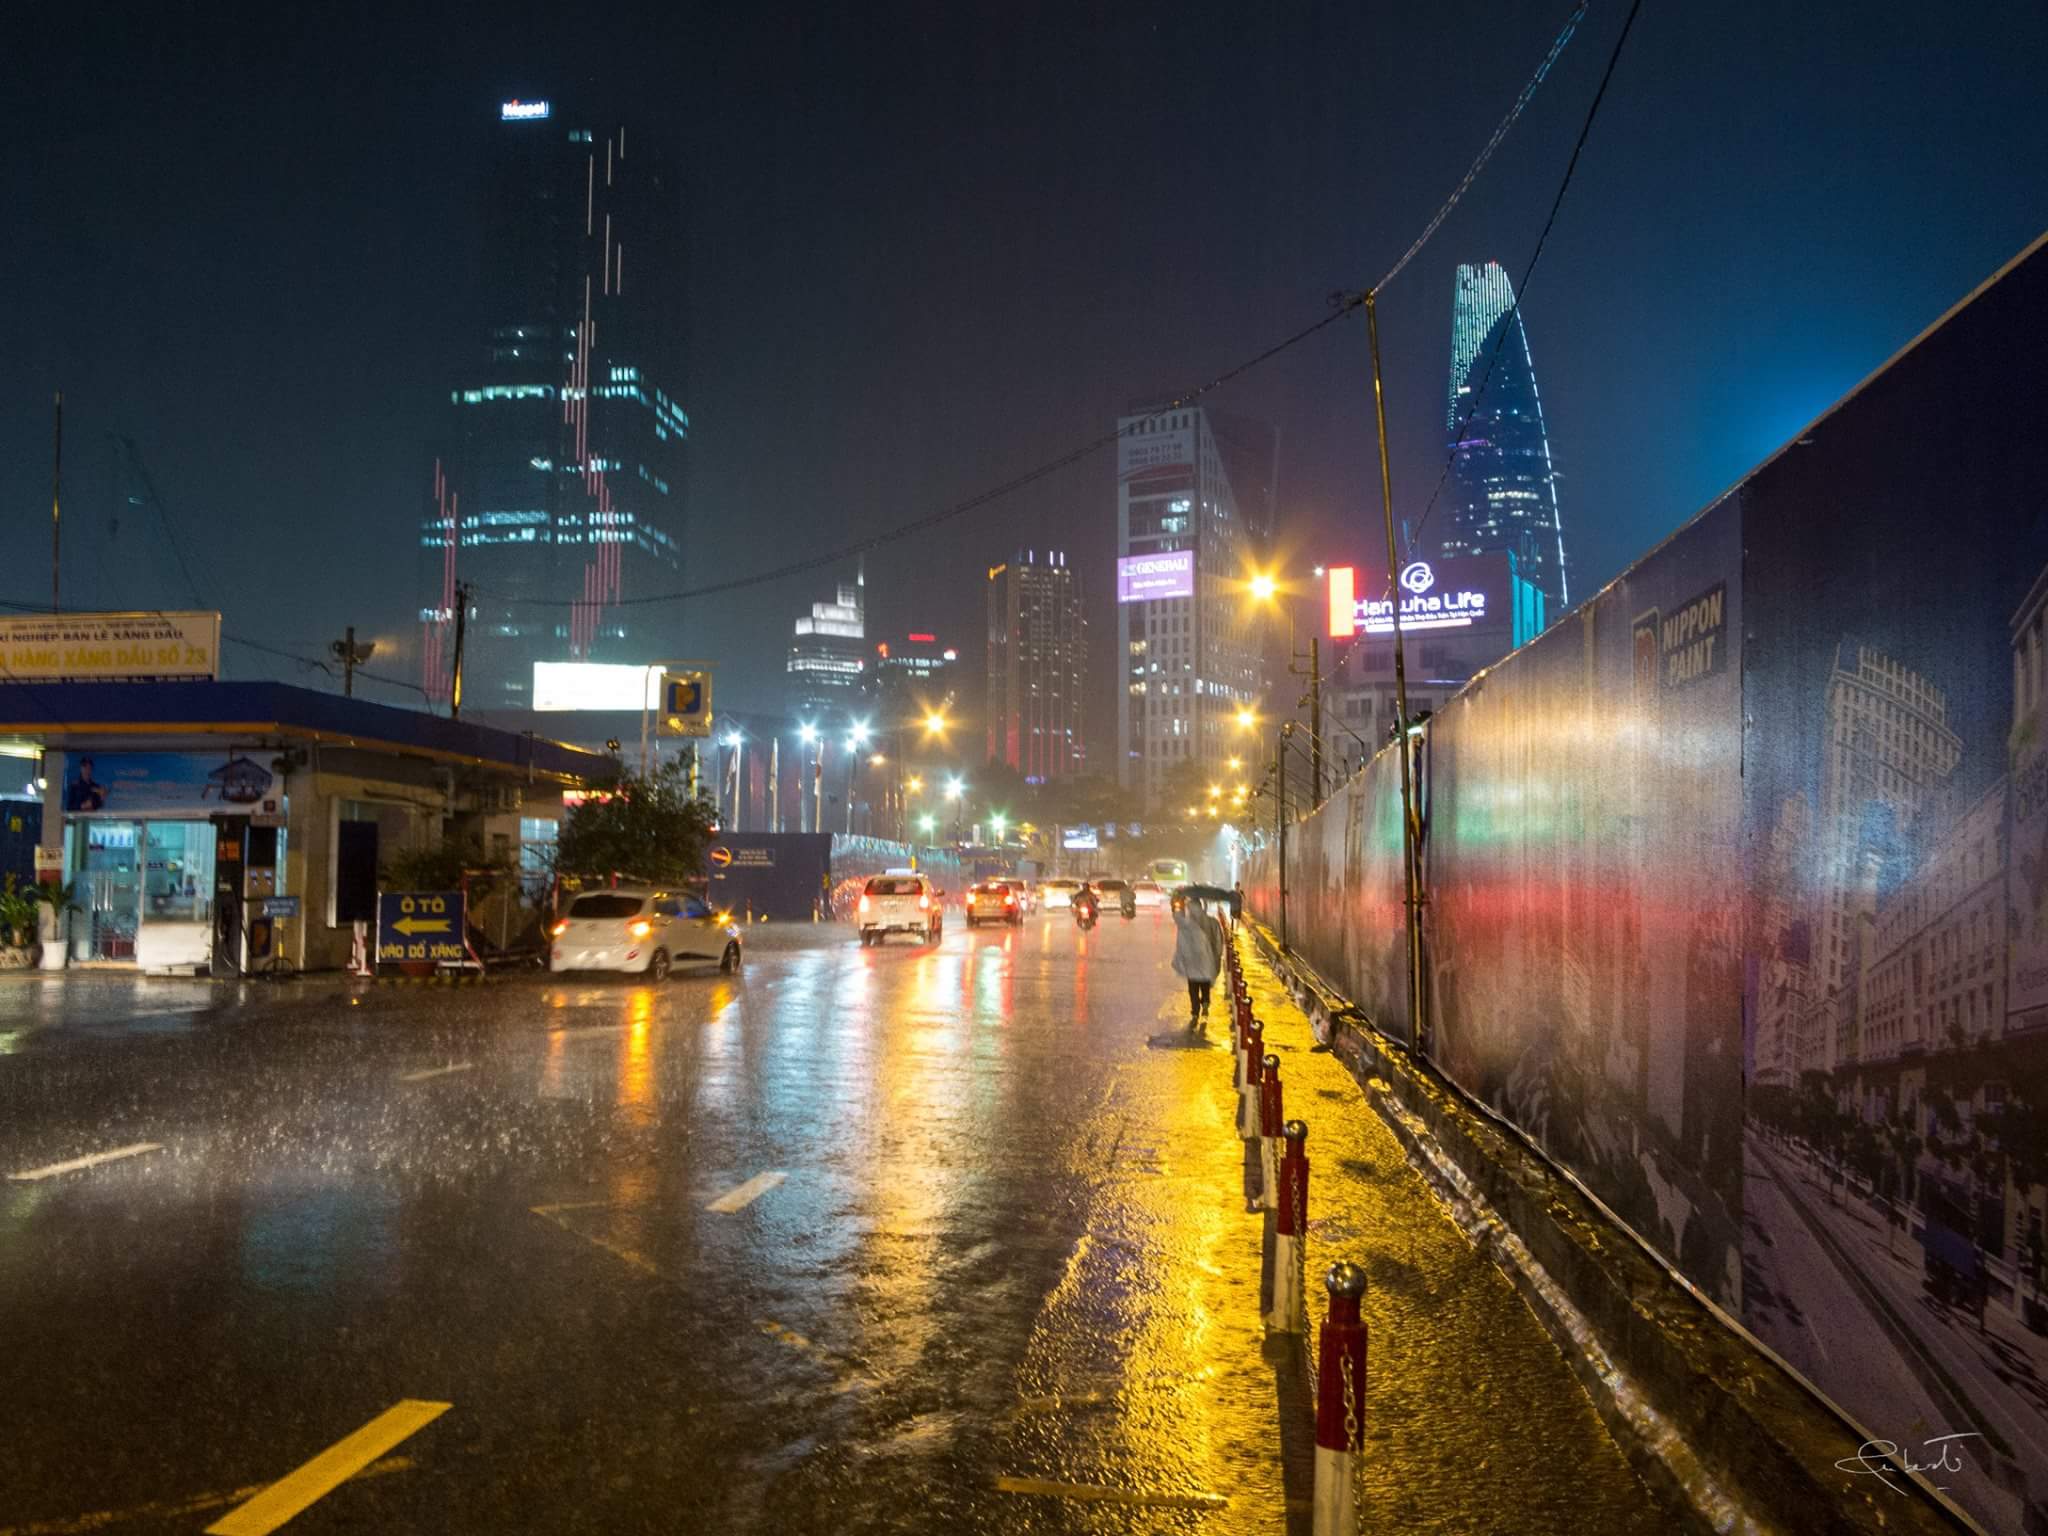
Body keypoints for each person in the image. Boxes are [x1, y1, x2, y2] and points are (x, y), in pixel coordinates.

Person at [1172, 895, 1223, 1030]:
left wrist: (1179, 901)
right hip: (1207, 961)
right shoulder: (1213, 922)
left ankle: (1195, 1013)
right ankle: (1205, 1002)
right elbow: (1219, 942)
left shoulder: (1187, 924)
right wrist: (1217, 958)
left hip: (1192, 963)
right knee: (1205, 985)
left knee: (1193, 989)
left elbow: (1177, 917)